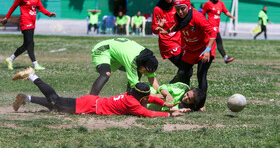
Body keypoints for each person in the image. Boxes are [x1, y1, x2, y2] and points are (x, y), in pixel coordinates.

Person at [12, 67, 185, 117]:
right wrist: (170, 114)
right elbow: (148, 113)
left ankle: (26, 98)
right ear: (143, 97)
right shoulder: (133, 104)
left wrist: (165, 104)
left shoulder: (131, 96)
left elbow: (152, 100)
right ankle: (33, 76)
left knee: (55, 107)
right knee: (55, 100)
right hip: (88, 105)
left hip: (91, 102)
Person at [156, 0, 217, 111]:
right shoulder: (177, 16)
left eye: (182, 8)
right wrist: (166, 31)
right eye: (177, 9)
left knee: (201, 75)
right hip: (190, 50)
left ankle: (200, 105)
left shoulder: (197, 17)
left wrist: (208, 50)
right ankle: (183, 99)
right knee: (182, 73)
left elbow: (213, 34)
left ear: (188, 6)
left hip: (204, 49)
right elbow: (177, 26)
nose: (180, 12)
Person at [0, 0, 56, 70]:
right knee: (30, 44)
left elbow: (41, 8)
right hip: (25, 22)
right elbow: (13, 6)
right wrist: (7, 17)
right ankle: (36, 65)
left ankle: (10, 59)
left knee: (26, 45)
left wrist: (49, 14)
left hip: (32, 23)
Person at [90, 38, 162, 96]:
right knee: (106, 73)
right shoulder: (132, 61)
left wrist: (162, 92)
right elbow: (135, 85)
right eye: (146, 71)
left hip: (114, 55)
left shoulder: (145, 58)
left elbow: (152, 79)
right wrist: (155, 96)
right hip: (103, 49)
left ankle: (129, 99)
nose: (146, 73)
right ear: (142, 64)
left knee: (138, 71)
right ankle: (90, 100)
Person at [152, 0, 182, 68]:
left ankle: (171, 82)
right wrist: (160, 27)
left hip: (180, 39)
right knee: (185, 68)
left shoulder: (178, 4)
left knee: (187, 69)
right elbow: (154, 30)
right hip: (168, 43)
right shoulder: (158, 9)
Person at [202, 0, 235, 64]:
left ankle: (211, 57)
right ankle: (224, 57)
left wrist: (232, 16)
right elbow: (203, 14)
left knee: (214, 43)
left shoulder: (221, 3)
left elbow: (226, 11)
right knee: (218, 42)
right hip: (211, 27)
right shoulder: (208, 4)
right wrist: (204, 24)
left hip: (216, 27)